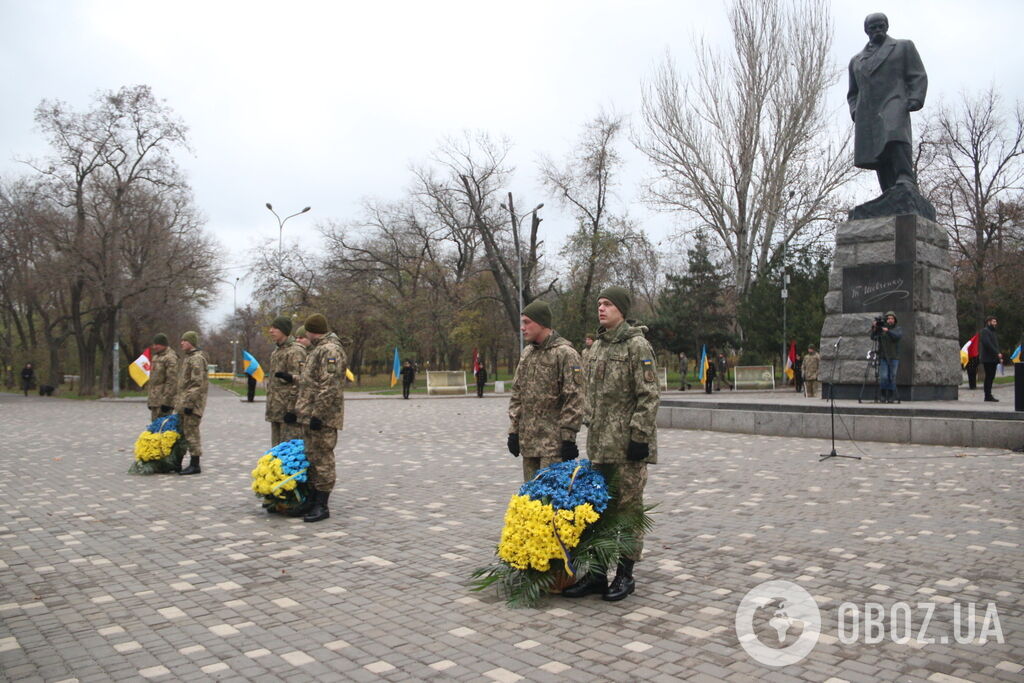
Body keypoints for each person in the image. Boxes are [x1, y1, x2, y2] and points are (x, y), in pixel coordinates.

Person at [564, 286, 659, 602]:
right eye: (599, 304)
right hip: (600, 447)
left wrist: (639, 437)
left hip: (628, 448)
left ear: (621, 309)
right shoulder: (595, 348)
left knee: (628, 512)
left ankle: (625, 575)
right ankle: (595, 575)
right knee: (598, 510)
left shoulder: (637, 346)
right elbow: (589, 396)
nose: (601, 309)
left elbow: (649, 395)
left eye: (607, 304)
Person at [848, 13, 928, 192]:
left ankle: (905, 177)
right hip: (868, 110)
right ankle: (889, 190)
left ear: (886, 26)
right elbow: (853, 92)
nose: (877, 30)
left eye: (880, 26)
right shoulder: (856, 60)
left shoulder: (903, 46)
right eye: (873, 27)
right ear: (866, 30)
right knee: (876, 150)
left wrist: (916, 97)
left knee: (894, 135)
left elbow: (918, 75)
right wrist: (855, 111)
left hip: (895, 100)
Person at [506, 300, 584, 482]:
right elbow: (517, 394)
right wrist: (514, 431)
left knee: (551, 502)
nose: (522, 328)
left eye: (527, 322)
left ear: (541, 323)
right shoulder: (527, 354)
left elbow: (574, 397)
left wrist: (568, 437)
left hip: (553, 446)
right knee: (532, 501)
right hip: (529, 444)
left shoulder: (565, 354)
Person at [294, 313, 346, 522]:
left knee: (323, 457)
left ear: (312, 330)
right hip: (310, 413)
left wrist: (318, 414)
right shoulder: (318, 349)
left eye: (306, 330)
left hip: (322, 416)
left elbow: (330, 385)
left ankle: (322, 505)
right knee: (312, 456)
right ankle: (312, 499)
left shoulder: (330, 350)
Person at [266, 316, 306, 446]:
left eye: (275, 328)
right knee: (276, 451)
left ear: (284, 330)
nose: (271, 331)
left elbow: (301, 382)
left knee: (290, 452)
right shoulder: (276, 352)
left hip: (288, 411)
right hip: (276, 410)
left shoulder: (296, 351)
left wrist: (292, 410)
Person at [175, 331, 209, 475]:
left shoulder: (196, 359)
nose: (181, 343)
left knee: (192, 433)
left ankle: (195, 464)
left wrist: (189, 404)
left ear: (191, 342)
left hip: (192, 404)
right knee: (184, 433)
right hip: (184, 403)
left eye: (184, 340)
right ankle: (177, 462)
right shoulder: (188, 358)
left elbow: (197, 384)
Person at [870, 311, 902, 403]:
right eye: (888, 318)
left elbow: (897, 336)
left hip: (894, 356)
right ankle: (883, 394)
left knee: (892, 376)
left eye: (892, 318)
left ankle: (891, 396)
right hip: (883, 356)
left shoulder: (897, 329)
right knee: (883, 376)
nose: (890, 320)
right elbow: (873, 337)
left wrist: (888, 331)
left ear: (894, 320)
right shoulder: (881, 329)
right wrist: (874, 328)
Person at [147, 333, 179, 421]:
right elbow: (154, 381)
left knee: (163, 430)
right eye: (154, 344)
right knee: (154, 429)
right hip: (155, 400)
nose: (154, 347)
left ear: (164, 344)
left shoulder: (170, 358)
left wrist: (167, 402)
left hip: (164, 401)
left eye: (157, 344)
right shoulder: (156, 357)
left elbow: (172, 381)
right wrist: (151, 401)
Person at [979, 316, 1003, 402]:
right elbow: (988, 344)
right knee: (989, 377)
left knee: (991, 377)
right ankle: (987, 395)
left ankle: (988, 394)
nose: (995, 323)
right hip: (988, 359)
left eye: (995, 322)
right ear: (988, 322)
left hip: (993, 359)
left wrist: (998, 355)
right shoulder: (985, 331)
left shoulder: (992, 332)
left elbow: (995, 345)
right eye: (994, 322)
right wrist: (997, 353)